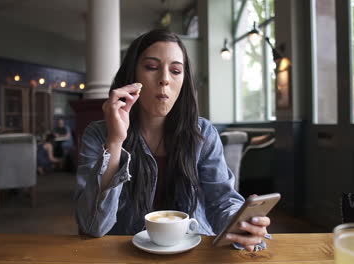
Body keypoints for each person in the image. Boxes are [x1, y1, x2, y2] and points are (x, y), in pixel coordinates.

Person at [75, 29, 270, 252]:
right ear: (132, 76)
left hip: (194, 252)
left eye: (176, 70)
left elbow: (222, 201)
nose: (165, 79)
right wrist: (115, 141)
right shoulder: (98, 134)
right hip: (127, 253)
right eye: (151, 67)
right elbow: (92, 226)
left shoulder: (203, 133)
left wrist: (241, 222)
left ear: (183, 81)